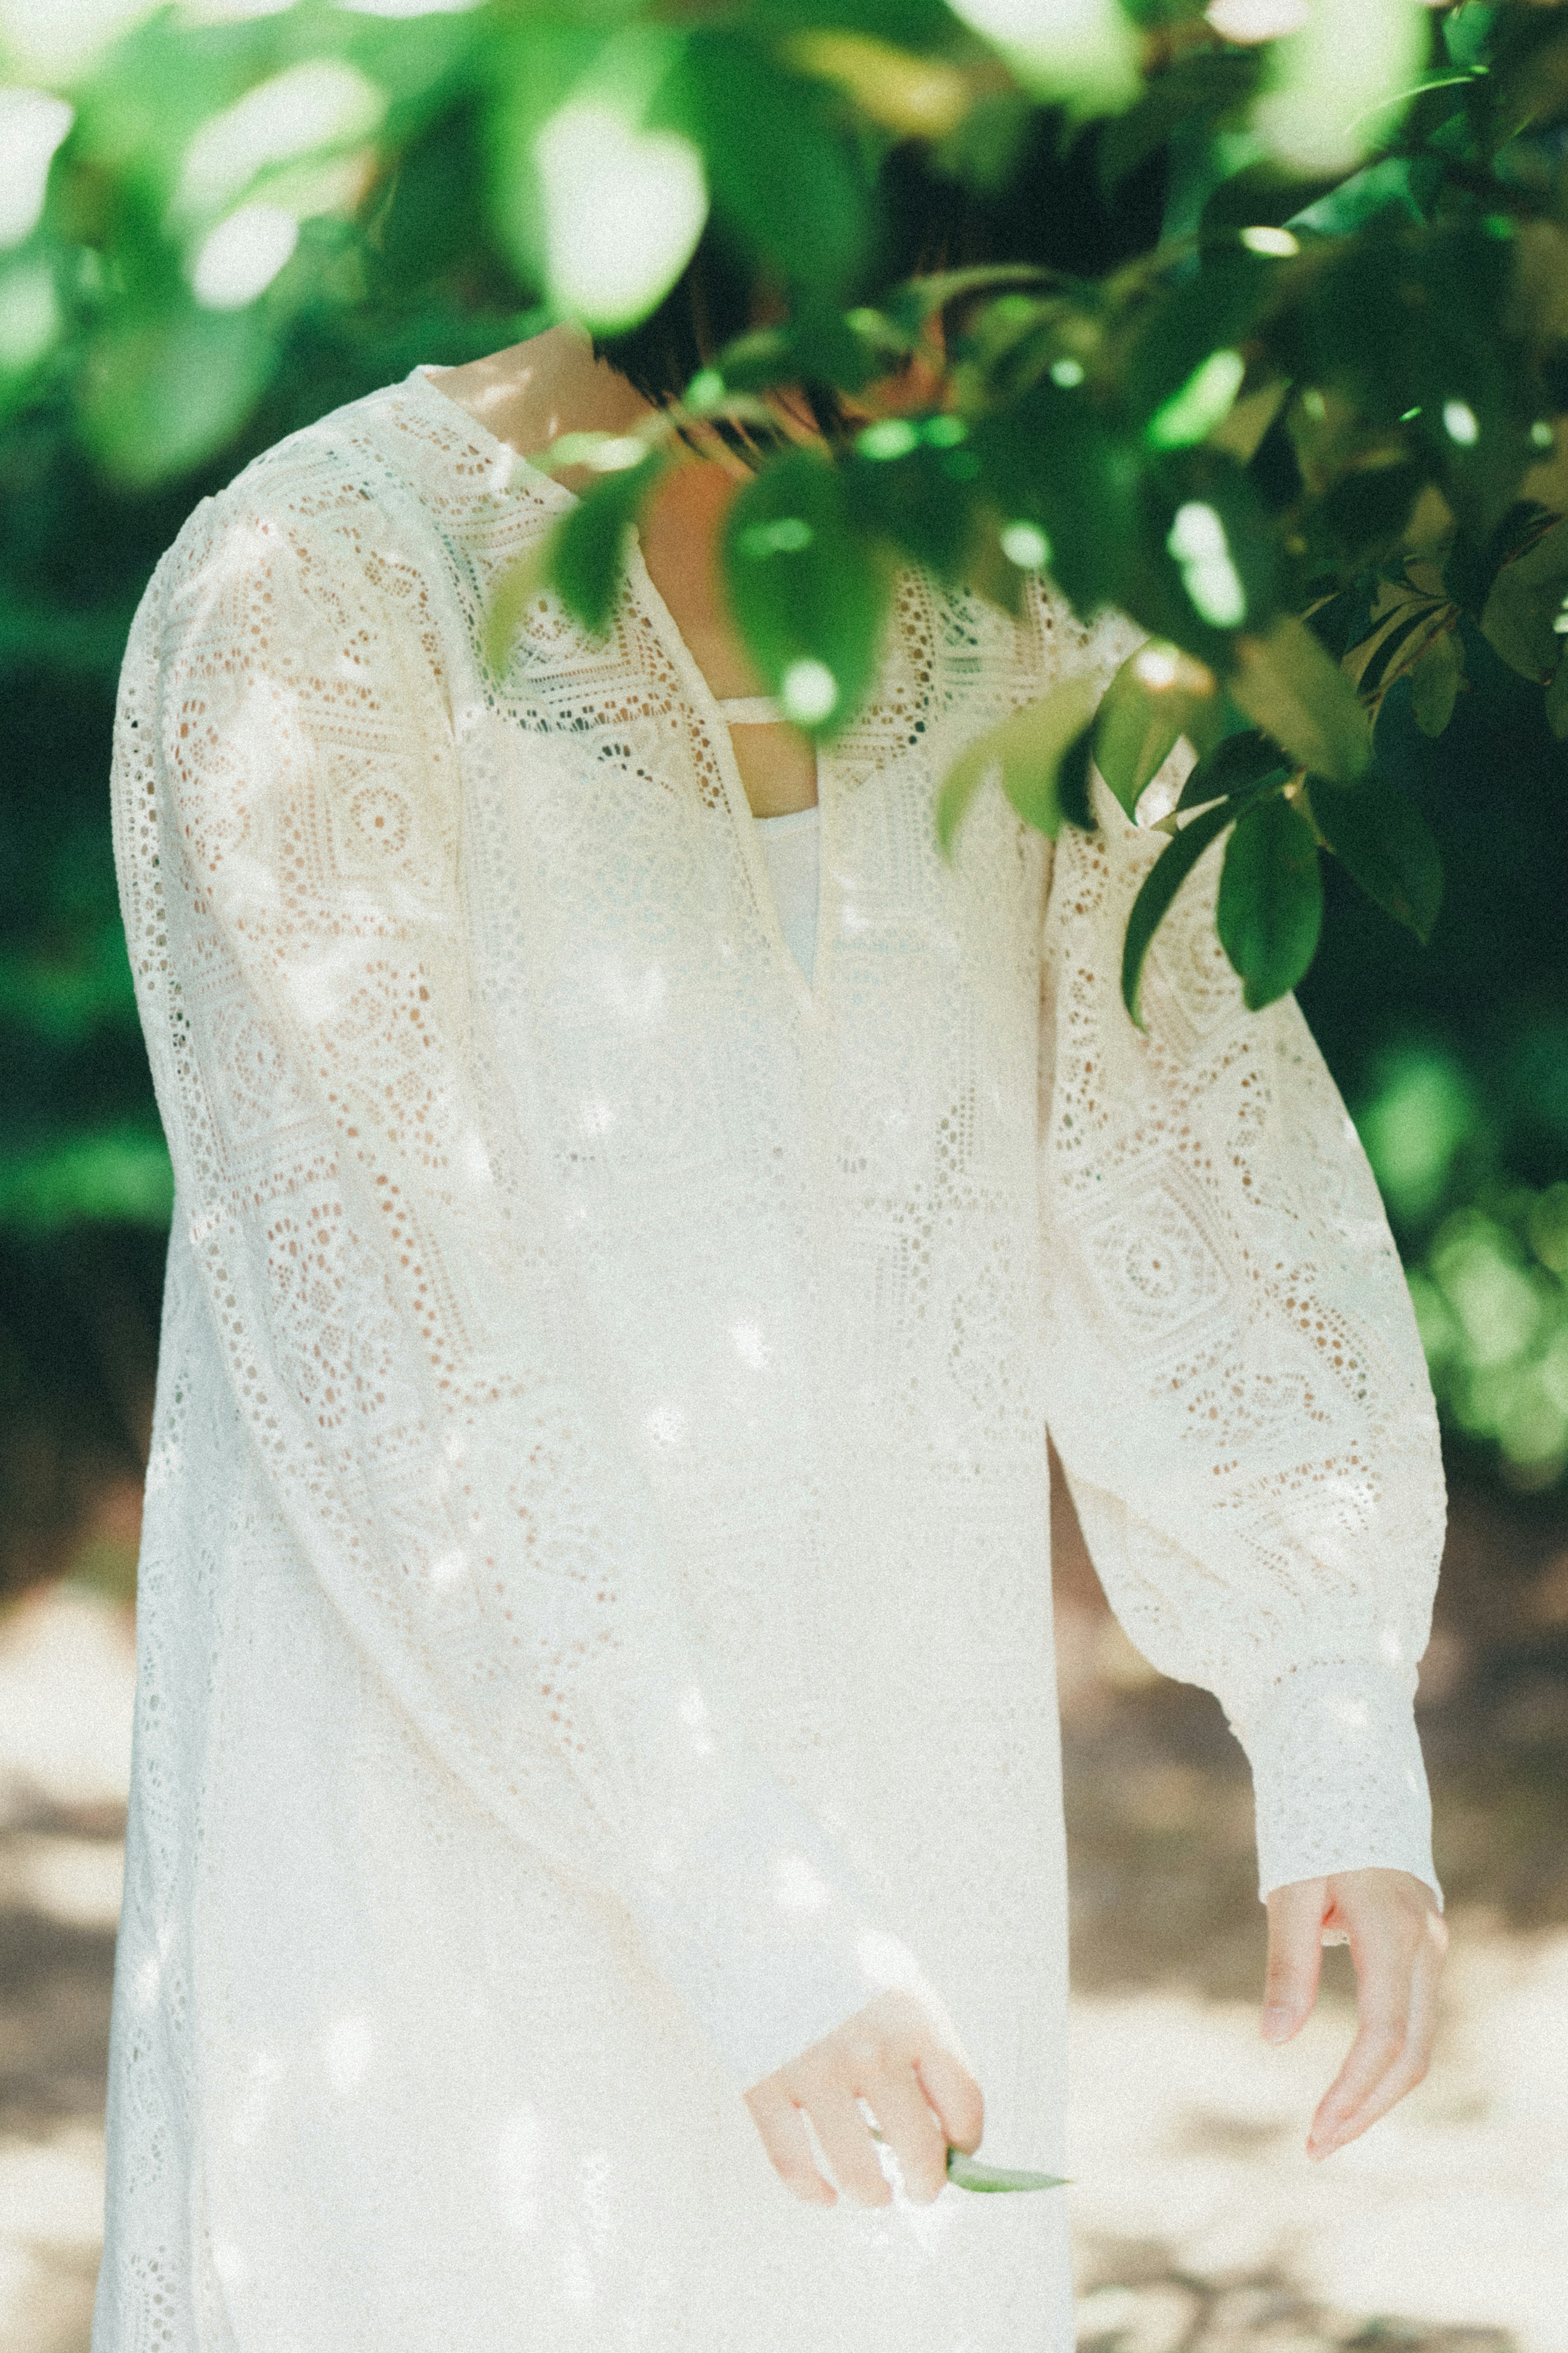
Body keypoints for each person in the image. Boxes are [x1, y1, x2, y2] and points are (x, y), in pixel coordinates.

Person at [95, 239, 1448, 2353]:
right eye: (961, 270)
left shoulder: (1021, 605)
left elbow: (1181, 1126)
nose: (1018, 357)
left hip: (915, 1776)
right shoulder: (318, 592)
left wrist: (1331, 1698)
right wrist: (716, 1863)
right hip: (440, 1797)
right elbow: (392, 1315)